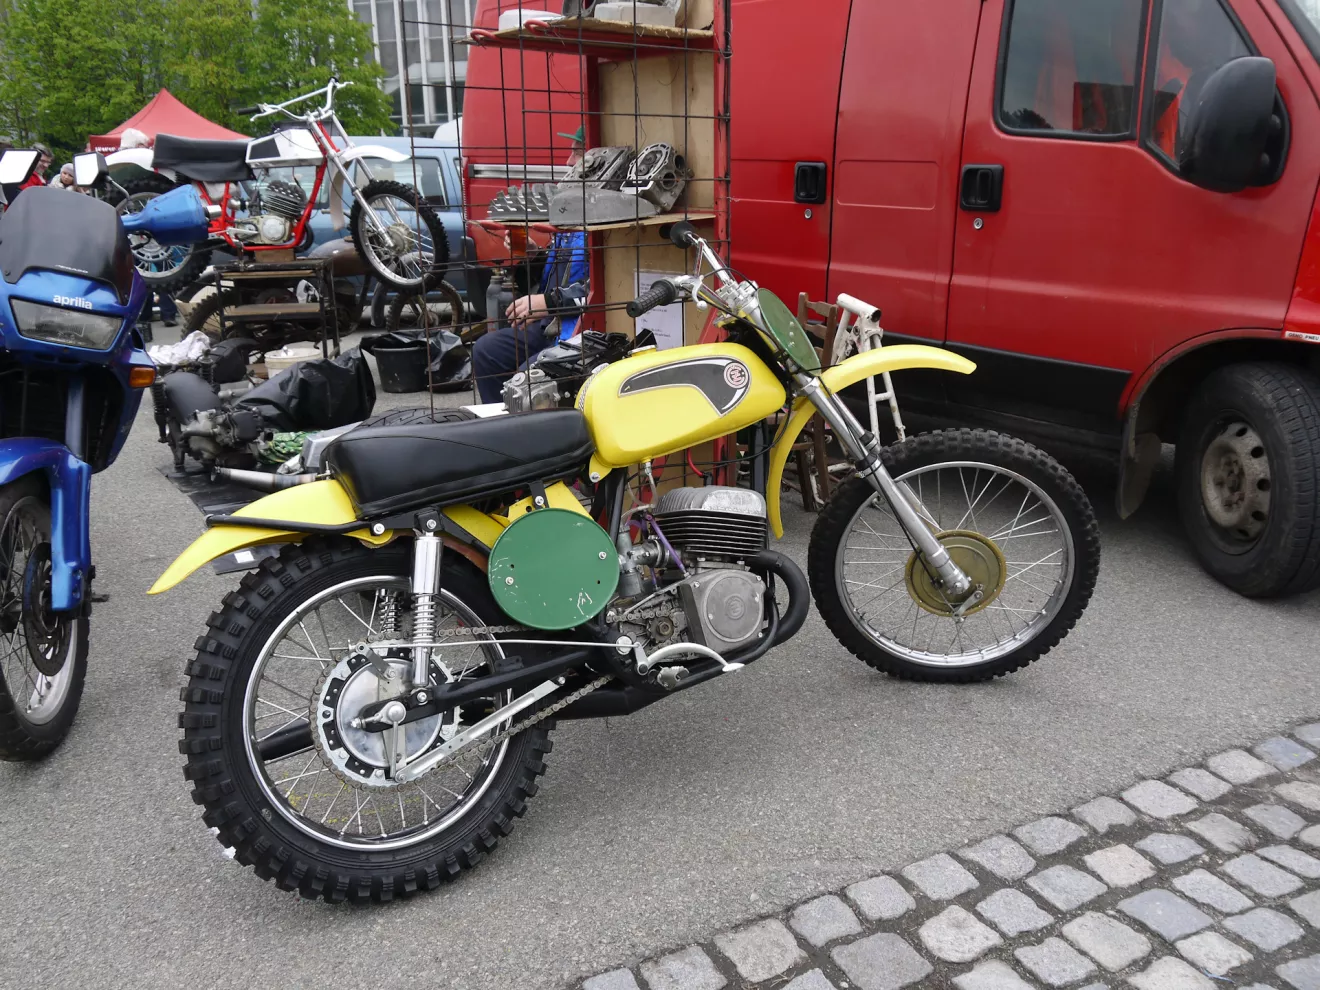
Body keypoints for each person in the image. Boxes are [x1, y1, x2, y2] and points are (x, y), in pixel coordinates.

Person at [472, 125, 590, 404]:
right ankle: (500, 424)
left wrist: (547, 302)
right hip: (551, 322)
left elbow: (604, 292)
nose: (568, 162)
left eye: (577, 153)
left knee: (528, 378)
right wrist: (533, 256)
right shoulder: (574, 207)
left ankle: (527, 425)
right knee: (486, 350)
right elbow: (556, 275)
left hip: (581, 327)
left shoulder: (605, 216)